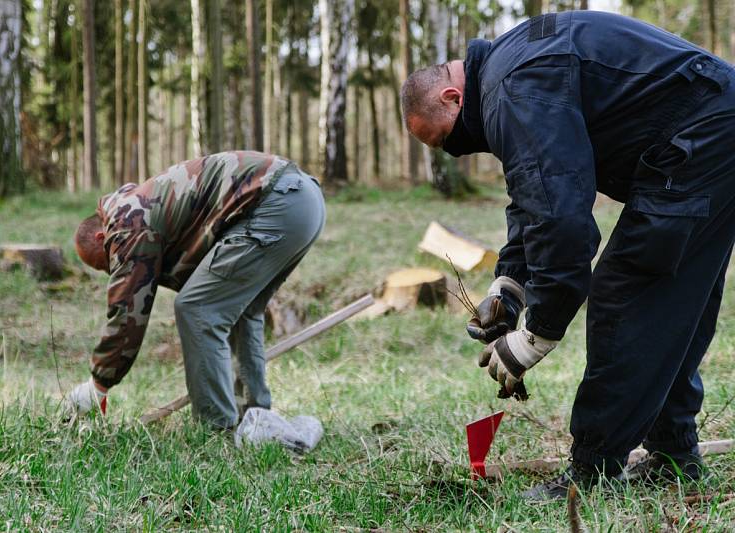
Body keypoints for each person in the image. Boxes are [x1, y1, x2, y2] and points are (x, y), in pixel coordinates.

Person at [401, 11, 735, 500]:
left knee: (626, 294)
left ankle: (594, 472)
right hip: (714, 130)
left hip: (699, 140)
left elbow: (561, 220)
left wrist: (535, 335)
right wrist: (509, 286)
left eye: (445, 139)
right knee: (670, 300)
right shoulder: (511, 65)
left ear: (453, 98)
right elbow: (534, 192)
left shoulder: (510, 88)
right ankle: (672, 455)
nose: (457, 150)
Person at [65, 151, 326, 429]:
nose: (111, 270)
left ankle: (216, 428)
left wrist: (98, 383)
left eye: (104, 263)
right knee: (242, 312)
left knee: (196, 308)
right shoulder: (145, 207)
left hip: (276, 202)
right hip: (303, 201)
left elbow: (128, 310)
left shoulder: (127, 221)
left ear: (101, 237)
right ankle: (254, 418)